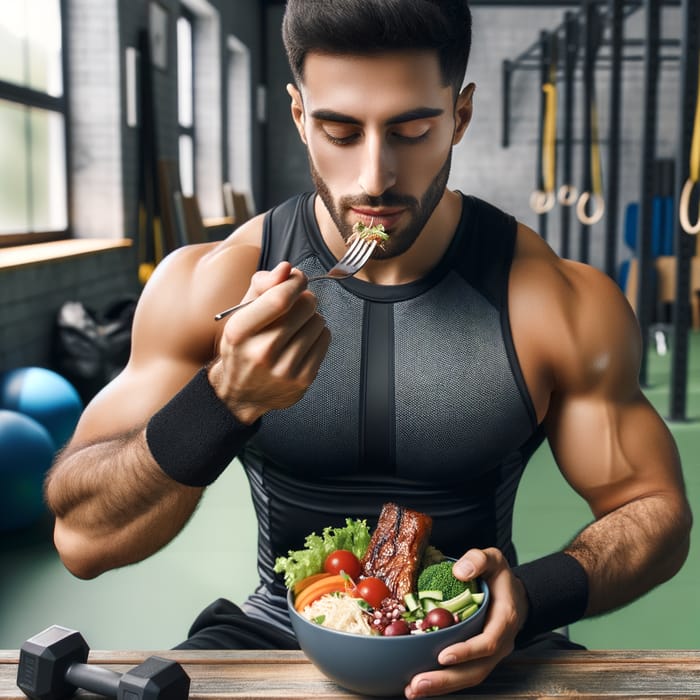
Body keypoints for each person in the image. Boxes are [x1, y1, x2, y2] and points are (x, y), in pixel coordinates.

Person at [45, 0, 692, 697]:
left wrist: (531, 595)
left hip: (482, 630)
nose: (375, 177)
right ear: (299, 117)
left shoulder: (558, 300)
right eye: (340, 130)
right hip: (276, 628)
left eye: (413, 129)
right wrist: (223, 401)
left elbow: (655, 511)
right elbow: (83, 540)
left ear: (460, 116)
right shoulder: (211, 283)